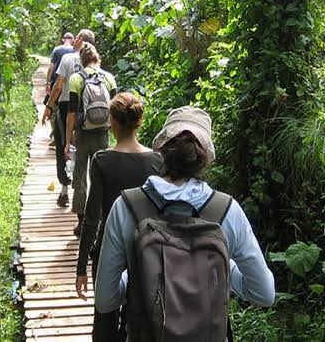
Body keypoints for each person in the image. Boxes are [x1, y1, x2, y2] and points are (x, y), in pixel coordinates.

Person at [94, 106, 275, 340]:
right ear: (206, 158)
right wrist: (224, 269)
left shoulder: (126, 207)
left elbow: (105, 300)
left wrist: (136, 272)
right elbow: (264, 293)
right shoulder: (227, 211)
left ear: (161, 151)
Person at [75, 93, 162, 341]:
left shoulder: (103, 160)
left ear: (112, 121)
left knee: (104, 319)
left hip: (109, 249)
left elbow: (92, 217)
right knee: (144, 316)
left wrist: (81, 267)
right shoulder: (157, 160)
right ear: (138, 121)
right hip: (148, 249)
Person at [64, 42, 117, 235]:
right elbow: (115, 111)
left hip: (83, 135)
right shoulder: (109, 78)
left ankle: (82, 223)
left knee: (80, 178)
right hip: (103, 134)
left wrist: (67, 140)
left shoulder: (76, 79)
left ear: (82, 60)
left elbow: (71, 113)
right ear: (97, 58)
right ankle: (101, 221)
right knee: (101, 178)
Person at [42, 29, 96, 207]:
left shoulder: (68, 58)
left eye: (78, 37)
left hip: (66, 107)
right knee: (81, 149)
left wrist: (49, 106)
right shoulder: (96, 64)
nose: (75, 39)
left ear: (81, 41)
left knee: (62, 147)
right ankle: (83, 193)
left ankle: (64, 190)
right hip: (88, 111)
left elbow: (58, 86)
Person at [44, 32, 75, 147]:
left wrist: (47, 83)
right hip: (70, 85)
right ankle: (70, 137)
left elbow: (51, 67)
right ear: (72, 40)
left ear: (63, 40)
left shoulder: (57, 50)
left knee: (53, 109)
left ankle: (56, 135)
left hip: (57, 83)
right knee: (70, 111)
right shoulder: (74, 50)